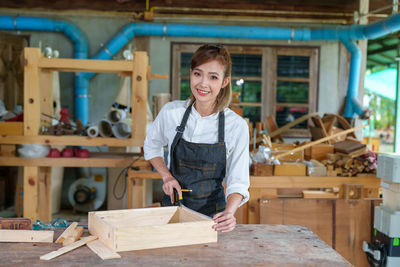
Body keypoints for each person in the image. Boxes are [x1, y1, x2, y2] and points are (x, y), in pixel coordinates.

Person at [144, 44, 249, 233]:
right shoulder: (172, 112)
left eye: (213, 77)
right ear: (191, 74)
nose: (203, 84)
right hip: (172, 212)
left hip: (212, 219)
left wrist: (229, 213)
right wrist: (167, 177)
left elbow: (238, 181)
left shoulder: (236, 126)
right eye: (198, 74)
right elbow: (151, 147)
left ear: (225, 82)